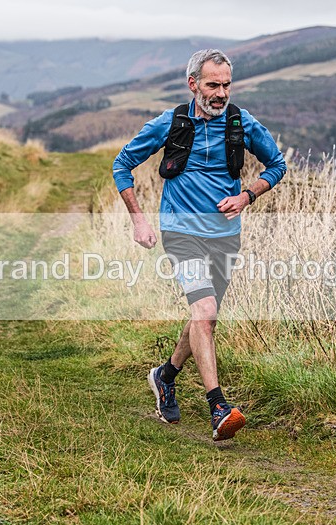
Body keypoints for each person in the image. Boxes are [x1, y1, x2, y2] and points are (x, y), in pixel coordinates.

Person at [112, 49, 287, 441]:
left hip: (225, 236)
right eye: (213, 85)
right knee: (205, 312)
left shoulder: (242, 124)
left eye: (226, 85)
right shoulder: (170, 123)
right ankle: (218, 407)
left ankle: (165, 375)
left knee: (204, 319)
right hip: (181, 233)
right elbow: (121, 164)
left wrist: (247, 196)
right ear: (193, 84)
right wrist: (139, 219)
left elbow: (277, 165)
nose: (221, 93)